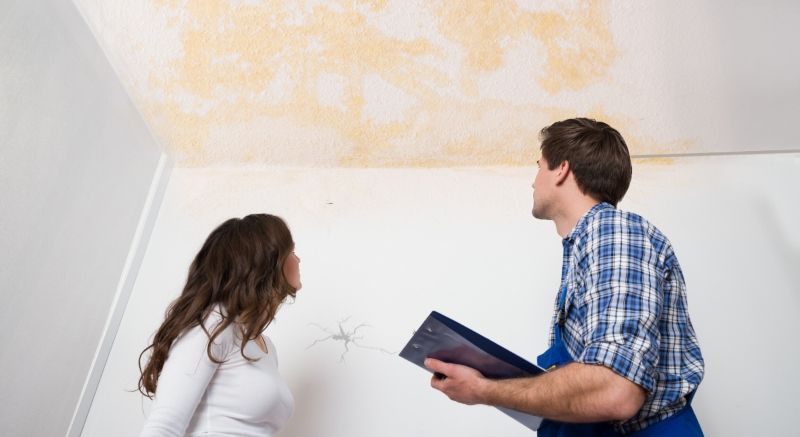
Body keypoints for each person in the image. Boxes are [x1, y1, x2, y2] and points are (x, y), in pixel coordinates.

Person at [425, 118, 705, 436]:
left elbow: (617, 390)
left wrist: (484, 389)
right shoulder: (584, 248)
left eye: (539, 166)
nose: (533, 182)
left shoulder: (613, 233)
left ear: (562, 170)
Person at [137, 213, 301, 437]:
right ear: (267, 263)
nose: (298, 260)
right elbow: (163, 426)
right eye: (291, 252)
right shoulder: (214, 325)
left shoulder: (265, 346)